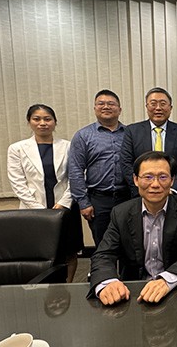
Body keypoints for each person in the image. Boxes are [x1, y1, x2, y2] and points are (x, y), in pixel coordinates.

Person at [89, 151, 177, 306]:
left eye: (163, 177)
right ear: (136, 180)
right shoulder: (121, 213)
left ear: (172, 180)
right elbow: (104, 254)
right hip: (133, 292)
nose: (155, 184)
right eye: (148, 177)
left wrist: (167, 279)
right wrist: (108, 282)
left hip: (175, 290)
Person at [7, 104, 83, 282]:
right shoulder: (17, 149)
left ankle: (68, 285)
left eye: (47, 119)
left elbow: (76, 176)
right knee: (37, 252)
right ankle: (40, 286)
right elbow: (17, 182)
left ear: (55, 122)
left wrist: (63, 203)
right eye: (37, 119)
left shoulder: (68, 146)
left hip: (64, 206)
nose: (42, 123)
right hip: (32, 210)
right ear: (29, 122)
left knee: (69, 251)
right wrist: (37, 208)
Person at [68, 90, 130, 247]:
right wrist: (83, 202)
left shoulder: (130, 134)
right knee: (103, 246)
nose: (106, 107)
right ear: (95, 108)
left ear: (120, 109)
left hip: (127, 198)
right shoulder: (83, 135)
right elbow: (75, 170)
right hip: (98, 200)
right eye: (101, 103)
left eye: (111, 104)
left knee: (129, 245)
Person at [121, 87, 177, 196]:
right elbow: (126, 162)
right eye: (153, 104)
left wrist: (174, 188)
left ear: (170, 108)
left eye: (163, 104)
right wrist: (141, 188)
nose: (158, 108)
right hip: (141, 194)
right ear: (147, 107)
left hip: (173, 194)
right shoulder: (132, 131)